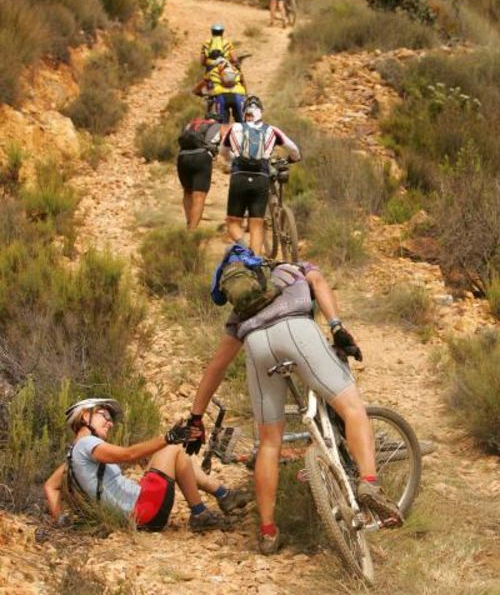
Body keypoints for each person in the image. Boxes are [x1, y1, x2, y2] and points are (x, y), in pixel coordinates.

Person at [185, 251, 403, 554]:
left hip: (257, 347)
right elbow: (319, 282)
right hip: (298, 332)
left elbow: (215, 369)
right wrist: (337, 327)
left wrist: (196, 418)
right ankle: (369, 482)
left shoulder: (240, 316)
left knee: (269, 443)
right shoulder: (293, 269)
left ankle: (268, 532)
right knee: (352, 408)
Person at [44, 398, 248, 533]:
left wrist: (60, 522)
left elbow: (50, 486)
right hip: (143, 510)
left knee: (170, 453)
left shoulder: (73, 456)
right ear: (84, 417)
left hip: (136, 514)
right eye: (104, 415)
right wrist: (168, 438)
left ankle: (224, 495)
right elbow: (128, 454)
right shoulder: (88, 444)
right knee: (173, 449)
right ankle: (201, 513)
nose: (110, 422)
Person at [221, 95, 300, 255]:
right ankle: (255, 262)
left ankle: (243, 249)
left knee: (232, 223)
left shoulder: (234, 128)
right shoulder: (272, 130)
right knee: (257, 224)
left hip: (239, 176)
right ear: (261, 113)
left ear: (244, 112)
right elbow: (294, 150)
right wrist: (293, 159)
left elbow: (223, 152)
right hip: (261, 178)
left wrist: (232, 161)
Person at [177, 112, 222, 229]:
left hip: (182, 157)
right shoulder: (216, 126)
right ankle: (192, 230)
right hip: (201, 158)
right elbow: (216, 146)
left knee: (187, 192)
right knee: (199, 196)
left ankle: (189, 223)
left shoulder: (190, 124)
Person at [193, 57, 247, 125]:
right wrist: (245, 94)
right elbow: (243, 85)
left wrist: (201, 94)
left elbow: (197, 90)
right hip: (238, 96)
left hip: (221, 98)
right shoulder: (236, 70)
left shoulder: (212, 72)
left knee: (221, 125)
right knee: (242, 124)